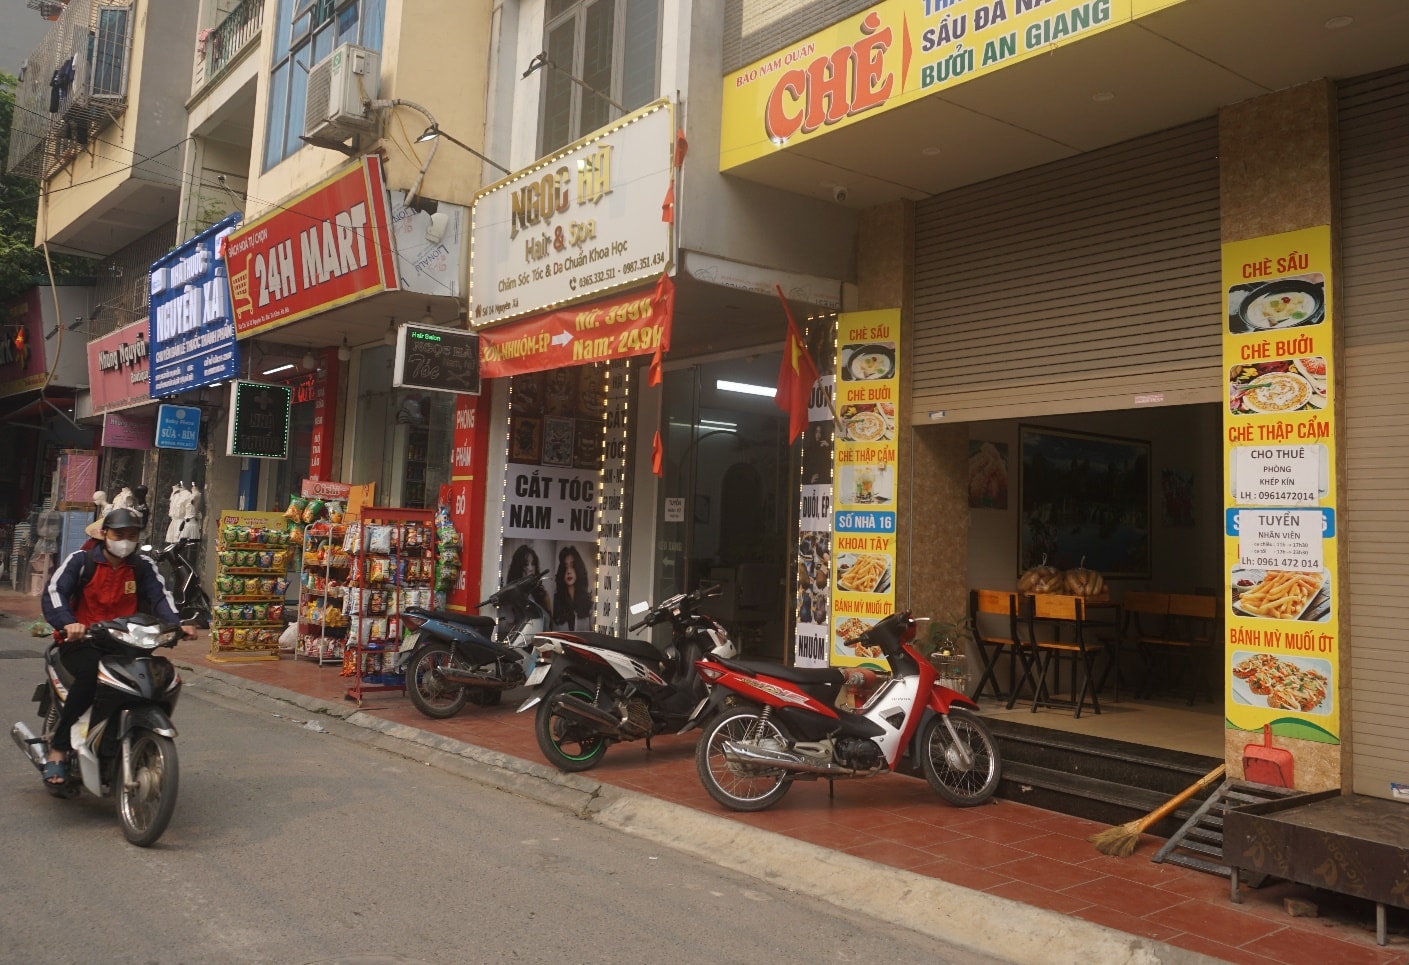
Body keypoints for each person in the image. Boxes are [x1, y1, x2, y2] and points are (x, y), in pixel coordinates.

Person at [39, 508, 196, 785]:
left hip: (126, 643)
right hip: (83, 642)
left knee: (156, 677)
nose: (125, 541)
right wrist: (69, 623)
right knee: (89, 675)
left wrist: (177, 625)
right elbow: (55, 591)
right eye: (119, 534)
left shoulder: (143, 566)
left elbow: (160, 597)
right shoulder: (81, 561)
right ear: (104, 534)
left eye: (132, 535)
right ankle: (58, 750)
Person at [551, 545, 593, 631]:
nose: (569, 571)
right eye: (565, 567)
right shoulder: (555, 604)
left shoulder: (589, 606)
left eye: (572, 566)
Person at [506, 544, 550, 613]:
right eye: (526, 564)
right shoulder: (509, 596)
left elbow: (549, 618)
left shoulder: (543, 595)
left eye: (533, 564)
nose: (531, 569)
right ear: (517, 568)